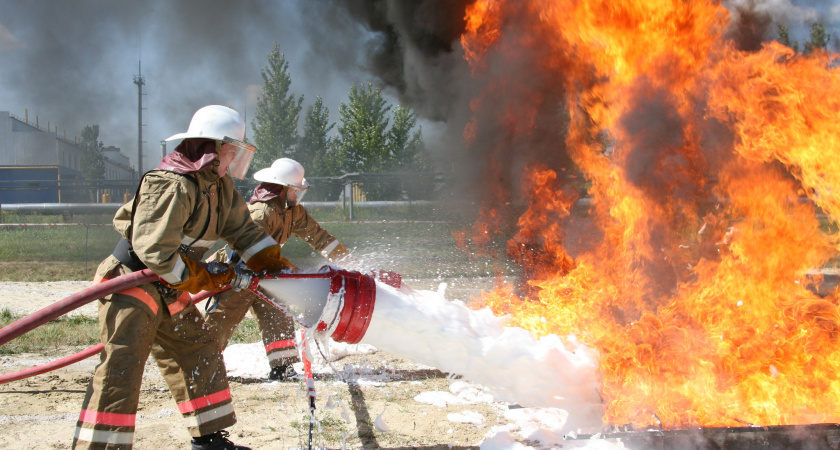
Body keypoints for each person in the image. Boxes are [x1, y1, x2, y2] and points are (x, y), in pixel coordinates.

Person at [73, 105, 294, 450]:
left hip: (168, 286)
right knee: (123, 366)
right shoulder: (171, 185)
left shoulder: (220, 188)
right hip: (134, 281)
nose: (235, 158)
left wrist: (281, 269)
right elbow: (156, 254)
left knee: (199, 350)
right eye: (231, 150)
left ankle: (209, 440)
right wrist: (208, 278)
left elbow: (246, 232)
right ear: (210, 148)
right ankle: (102, 447)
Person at [204, 158, 351, 380]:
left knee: (277, 313)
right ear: (280, 190)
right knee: (222, 320)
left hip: (266, 272)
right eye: (295, 190)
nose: (298, 196)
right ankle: (202, 366)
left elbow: (320, 238)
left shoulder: (293, 211)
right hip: (238, 272)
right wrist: (289, 270)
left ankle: (282, 366)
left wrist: (349, 262)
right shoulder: (260, 213)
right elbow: (250, 252)